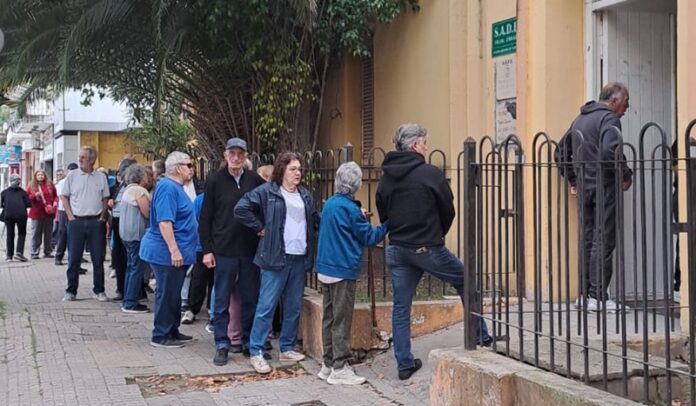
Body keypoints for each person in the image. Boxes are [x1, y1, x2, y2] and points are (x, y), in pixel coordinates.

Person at [376, 123, 495, 380]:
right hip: (427, 247)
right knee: (466, 281)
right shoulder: (429, 174)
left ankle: (404, 363)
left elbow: (383, 212)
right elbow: (448, 209)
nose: (427, 147)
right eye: (425, 142)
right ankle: (480, 336)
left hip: (398, 248)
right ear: (415, 145)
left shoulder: (386, 178)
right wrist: (436, 233)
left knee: (401, 306)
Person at [235, 152, 320, 374]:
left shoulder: (305, 194)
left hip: (298, 255)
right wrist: (259, 227)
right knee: (266, 305)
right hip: (274, 256)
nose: (298, 173)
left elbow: (314, 219)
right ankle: (256, 350)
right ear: (282, 170)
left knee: (293, 305)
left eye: (299, 169)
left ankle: (287, 347)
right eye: (293, 169)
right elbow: (241, 208)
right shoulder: (268, 191)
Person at [556, 82, 633, 312]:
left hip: (585, 187)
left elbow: (560, 152)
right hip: (604, 186)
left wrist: (574, 180)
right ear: (614, 101)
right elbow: (611, 151)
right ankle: (598, 296)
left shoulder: (580, 119)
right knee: (604, 240)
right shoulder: (609, 119)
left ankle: (585, 295)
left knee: (588, 239)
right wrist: (625, 174)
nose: (627, 108)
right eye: (626, 102)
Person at [316, 162, 388, 385]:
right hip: (342, 269)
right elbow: (370, 237)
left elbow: (344, 222)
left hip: (325, 267)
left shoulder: (330, 204)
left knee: (329, 317)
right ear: (356, 185)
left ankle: (328, 363)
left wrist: (358, 213)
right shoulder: (351, 210)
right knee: (342, 319)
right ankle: (340, 367)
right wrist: (387, 224)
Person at [198, 137, 266, 366]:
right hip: (223, 251)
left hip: (248, 250)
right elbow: (205, 218)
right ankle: (221, 343)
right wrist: (207, 250)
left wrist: (262, 228)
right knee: (221, 301)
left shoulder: (254, 180)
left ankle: (248, 342)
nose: (236, 158)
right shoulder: (215, 180)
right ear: (225, 155)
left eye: (240, 154)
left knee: (250, 298)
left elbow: (264, 207)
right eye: (232, 153)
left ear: (245, 156)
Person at [139, 151, 197, 348]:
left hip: (174, 251)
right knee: (167, 292)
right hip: (165, 252)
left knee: (173, 292)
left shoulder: (175, 187)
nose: (192, 169)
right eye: (189, 165)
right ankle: (161, 334)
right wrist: (174, 250)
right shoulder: (168, 187)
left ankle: (172, 329)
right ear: (178, 168)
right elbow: (165, 222)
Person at [61, 146, 111, 302]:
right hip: (76, 221)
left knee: (98, 258)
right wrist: (70, 216)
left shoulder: (100, 177)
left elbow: (105, 198)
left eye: (83, 157)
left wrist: (102, 217)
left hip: (96, 221)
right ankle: (71, 291)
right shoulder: (72, 176)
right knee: (74, 258)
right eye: (79, 156)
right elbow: (64, 196)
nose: (80, 159)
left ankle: (99, 290)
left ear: (92, 160)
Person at [119, 164, 153, 313]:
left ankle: (128, 299)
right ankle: (131, 302)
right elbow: (147, 213)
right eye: (145, 174)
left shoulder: (127, 190)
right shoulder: (139, 191)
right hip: (136, 234)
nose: (148, 178)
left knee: (130, 267)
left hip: (126, 234)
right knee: (136, 268)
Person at [110, 159, 136, 300]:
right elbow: (110, 198)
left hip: (129, 224)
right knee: (119, 257)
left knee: (129, 258)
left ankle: (132, 290)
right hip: (116, 223)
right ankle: (121, 288)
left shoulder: (135, 188)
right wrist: (110, 202)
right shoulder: (117, 187)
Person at [27, 169, 57, 259]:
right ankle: (34, 252)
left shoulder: (50, 184)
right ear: (35, 176)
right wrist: (34, 196)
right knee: (36, 233)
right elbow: (27, 198)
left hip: (49, 212)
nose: (40, 176)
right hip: (37, 212)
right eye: (39, 175)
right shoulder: (31, 186)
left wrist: (55, 202)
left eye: (42, 175)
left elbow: (55, 195)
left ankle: (48, 251)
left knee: (48, 233)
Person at [1, 174, 31, 262]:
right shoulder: (23, 192)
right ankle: (19, 252)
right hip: (21, 215)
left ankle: (9, 256)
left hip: (8, 215)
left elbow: (1, 204)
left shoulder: (4, 192)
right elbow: (29, 204)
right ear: (19, 182)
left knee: (10, 234)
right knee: (21, 233)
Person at [51, 169, 66, 250]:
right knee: (56, 227)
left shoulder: (65, 183)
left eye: (61, 174)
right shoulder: (54, 185)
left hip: (62, 208)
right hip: (57, 208)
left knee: (59, 227)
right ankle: (53, 242)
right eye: (58, 174)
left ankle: (56, 243)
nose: (59, 176)